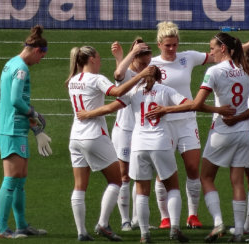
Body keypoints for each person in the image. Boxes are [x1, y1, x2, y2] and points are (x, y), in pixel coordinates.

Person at [146, 32, 249, 243]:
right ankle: (238, 233)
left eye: (213, 48)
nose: (211, 52)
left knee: (206, 178)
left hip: (222, 131)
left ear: (223, 49)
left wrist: (167, 109)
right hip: (245, 132)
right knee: (237, 181)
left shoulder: (214, 71)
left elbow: (196, 104)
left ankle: (218, 223)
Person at [76, 66, 190, 243]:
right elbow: (189, 105)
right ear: (160, 78)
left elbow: (109, 108)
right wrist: (166, 109)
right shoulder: (167, 90)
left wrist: (87, 113)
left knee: (141, 191)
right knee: (173, 187)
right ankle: (175, 227)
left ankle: (144, 234)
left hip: (138, 146)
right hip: (161, 143)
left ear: (143, 78)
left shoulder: (133, 92)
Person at [66, 45, 154, 241]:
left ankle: (81, 232)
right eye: (99, 58)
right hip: (94, 135)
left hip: (75, 137)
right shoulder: (96, 79)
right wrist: (140, 77)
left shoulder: (72, 81)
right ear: (92, 60)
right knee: (115, 181)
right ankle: (103, 224)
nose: (101, 61)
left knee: (79, 186)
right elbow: (117, 91)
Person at [150, 21, 215, 229]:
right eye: (167, 45)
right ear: (159, 43)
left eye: (175, 45)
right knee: (163, 172)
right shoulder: (151, 64)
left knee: (193, 167)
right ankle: (165, 217)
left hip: (187, 121)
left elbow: (216, 57)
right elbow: (125, 77)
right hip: (163, 123)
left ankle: (193, 215)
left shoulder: (187, 57)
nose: (172, 49)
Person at [0, 25, 51, 239]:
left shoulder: (11, 63)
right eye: (42, 58)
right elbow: (16, 100)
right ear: (38, 51)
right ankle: (1, 228)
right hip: (10, 129)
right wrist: (34, 113)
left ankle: (21, 225)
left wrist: (35, 129)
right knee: (11, 178)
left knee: (20, 179)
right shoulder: (21, 68)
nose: (40, 62)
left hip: (16, 127)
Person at [110, 38, 152, 231]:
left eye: (148, 62)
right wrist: (128, 54)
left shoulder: (151, 74)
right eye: (142, 62)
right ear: (134, 58)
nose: (146, 66)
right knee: (124, 176)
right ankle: (125, 220)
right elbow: (118, 73)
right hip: (125, 131)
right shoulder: (127, 73)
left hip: (142, 131)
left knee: (141, 176)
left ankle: (137, 219)